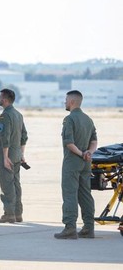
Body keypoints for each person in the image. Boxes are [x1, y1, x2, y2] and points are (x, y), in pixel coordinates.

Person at [54, 90, 98, 239]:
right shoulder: (88, 119)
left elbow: (69, 143)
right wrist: (89, 153)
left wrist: (80, 153)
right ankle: (88, 228)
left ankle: (70, 228)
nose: (65, 102)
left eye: (66, 100)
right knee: (85, 194)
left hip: (72, 162)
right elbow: (94, 141)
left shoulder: (69, 119)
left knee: (70, 194)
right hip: (86, 163)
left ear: (72, 102)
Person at [0, 88, 28, 224]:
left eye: (0, 97)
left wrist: (5, 157)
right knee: (16, 184)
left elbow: (5, 137)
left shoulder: (5, 116)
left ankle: (9, 214)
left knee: (7, 184)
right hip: (17, 155)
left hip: (8, 155)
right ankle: (18, 213)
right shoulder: (19, 115)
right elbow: (24, 136)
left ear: (5, 99)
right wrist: (21, 154)